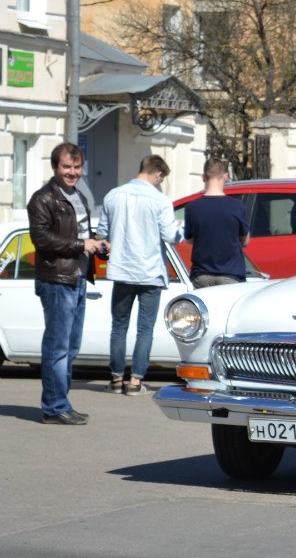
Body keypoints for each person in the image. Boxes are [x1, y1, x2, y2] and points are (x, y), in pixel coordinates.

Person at [27, 142, 108, 425]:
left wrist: (96, 244)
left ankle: (62, 402)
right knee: (57, 346)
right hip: (56, 279)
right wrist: (80, 244)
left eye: (77, 167)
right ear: (55, 167)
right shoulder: (43, 199)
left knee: (71, 347)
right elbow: (42, 239)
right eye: (66, 167)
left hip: (78, 276)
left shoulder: (77, 195)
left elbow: (80, 233)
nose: (72, 172)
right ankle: (54, 406)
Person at [97, 155, 183, 395]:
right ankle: (135, 381)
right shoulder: (160, 200)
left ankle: (115, 378)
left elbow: (103, 232)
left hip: (122, 270)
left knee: (119, 325)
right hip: (150, 272)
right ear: (158, 174)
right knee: (145, 329)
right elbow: (170, 236)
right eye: (161, 178)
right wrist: (181, 231)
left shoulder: (113, 195)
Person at [185, 158, 250, 289]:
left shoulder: (192, 207)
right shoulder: (237, 207)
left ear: (203, 177)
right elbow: (245, 240)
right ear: (225, 176)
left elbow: (190, 240)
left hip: (201, 274)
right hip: (230, 273)